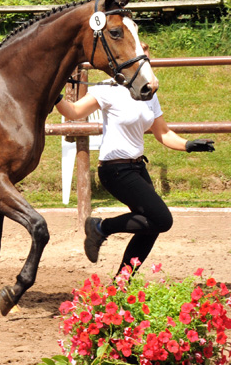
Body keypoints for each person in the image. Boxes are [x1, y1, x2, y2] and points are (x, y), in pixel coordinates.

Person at [53, 44, 215, 274]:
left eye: (148, 57)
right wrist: (56, 97)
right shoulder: (107, 90)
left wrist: (188, 145)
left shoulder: (148, 94)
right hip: (115, 170)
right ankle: (101, 227)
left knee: (151, 227)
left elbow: (163, 133)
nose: (146, 61)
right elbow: (73, 112)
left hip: (137, 167)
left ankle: (121, 284)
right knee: (162, 220)